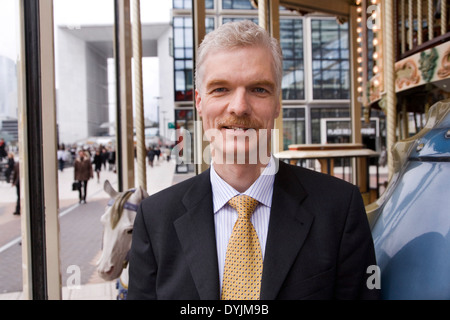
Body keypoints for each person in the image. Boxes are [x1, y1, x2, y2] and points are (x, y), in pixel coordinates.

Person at [128, 21, 379, 300]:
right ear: (199, 102)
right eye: (220, 89)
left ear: (277, 103)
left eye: (258, 89)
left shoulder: (339, 209)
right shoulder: (155, 220)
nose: (239, 106)